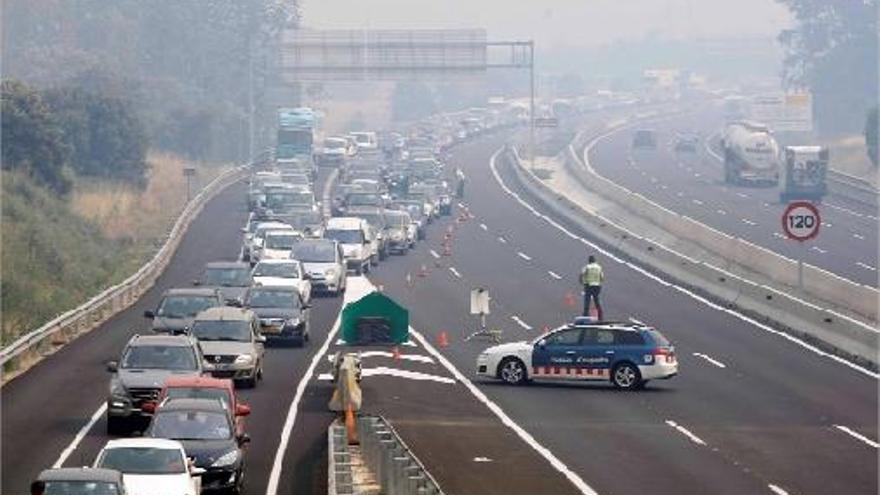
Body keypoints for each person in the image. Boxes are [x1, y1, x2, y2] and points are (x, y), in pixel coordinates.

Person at [580, 255, 604, 320]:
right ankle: (600, 315)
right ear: (594, 260)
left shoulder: (587, 267)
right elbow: (602, 277)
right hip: (597, 286)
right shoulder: (599, 267)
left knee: (587, 300)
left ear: (589, 261)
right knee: (597, 301)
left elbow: (582, 274)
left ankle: (585, 315)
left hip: (589, 285)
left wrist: (581, 281)